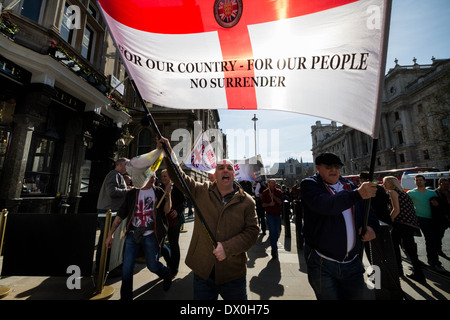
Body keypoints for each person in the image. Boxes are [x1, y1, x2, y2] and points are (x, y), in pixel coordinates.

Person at [157, 137, 259, 300]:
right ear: (215, 173)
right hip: (202, 271)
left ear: (234, 174)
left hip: (233, 274)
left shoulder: (247, 201)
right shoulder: (201, 191)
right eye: (220, 168)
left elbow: (252, 232)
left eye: (229, 168)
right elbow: (180, 177)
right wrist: (169, 153)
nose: (225, 170)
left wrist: (227, 248)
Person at [300, 152, 379, 300]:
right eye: (328, 166)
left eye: (337, 166)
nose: (333, 170)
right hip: (322, 262)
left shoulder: (350, 186)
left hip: (353, 262)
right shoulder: (310, 185)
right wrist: (356, 194)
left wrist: (371, 227)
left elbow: (369, 213)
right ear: (318, 168)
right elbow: (326, 206)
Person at [105, 173, 172, 300]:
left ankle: (165, 273)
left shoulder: (158, 192)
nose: (153, 179)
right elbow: (121, 214)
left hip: (150, 235)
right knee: (127, 268)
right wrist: (110, 234)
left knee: (152, 265)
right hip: (133, 234)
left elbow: (167, 210)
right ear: (143, 177)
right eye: (150, 176)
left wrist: (168, 193)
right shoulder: (132, 194)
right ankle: (126, 297)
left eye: (154, 177)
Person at [382, 176, 425, 283]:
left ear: (391, 183)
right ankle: (419, 274)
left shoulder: (392, 192)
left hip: (401, 223)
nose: (384, 185)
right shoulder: (403, 192)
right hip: (410, 223)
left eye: (385, 182)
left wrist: (389, 222)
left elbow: (396, 210)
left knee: (394, 246)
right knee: (410, 248)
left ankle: (398, 270)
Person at [96, 157, 131, 273]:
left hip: (110, 211)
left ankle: (105, 267)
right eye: (127, 164)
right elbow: (112, 192)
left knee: (108, 239)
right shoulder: (114, 174)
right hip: (108, 212)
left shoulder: (117, 175)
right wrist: (128, 191)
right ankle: (104, 268)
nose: (128, 167)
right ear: (121, 164)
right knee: (108, 239)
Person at [407, 175, 445, 271]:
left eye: (420, 180)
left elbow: (439, 205)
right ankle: (435, 262)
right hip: (421, 218)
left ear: (425, 181)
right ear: (415, 182)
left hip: (433, 219)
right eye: (417, 180)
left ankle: (432, 260)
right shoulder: (411, 193)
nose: (419, 182)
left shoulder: (432, 193)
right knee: (430, 238)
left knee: (433, 240)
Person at [160, 169, 186, 278]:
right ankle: (169, 261)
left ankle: (174, 269)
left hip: (174, 221)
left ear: (170, 177)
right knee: (161, 245)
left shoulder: (177, 187)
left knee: (174, 244)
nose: (164, 178)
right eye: (162, 176)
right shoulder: (159, 188)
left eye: (166, 176)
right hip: (162, 221)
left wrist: (177, 210)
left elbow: (184, 202)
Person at [261, 179, 283, 259]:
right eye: (272, 183)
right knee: (272, 231)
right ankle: (274, 249)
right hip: (270, 215)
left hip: (277, 214)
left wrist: (274, 197)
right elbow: (263, 204)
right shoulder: (265, 192)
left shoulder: (279, 192)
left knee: (277, 232)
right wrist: (269, 204)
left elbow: (280, 201)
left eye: (274, 183)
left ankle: (274, 243)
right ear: (269, 184)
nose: (273, 185)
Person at [431, 178, 450, 259]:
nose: (447, 186)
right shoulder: (435, 193)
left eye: (448, 184)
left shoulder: (449, 192)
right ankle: (438, 250)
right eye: (444, 184)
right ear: (440, 184)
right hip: (441, 218)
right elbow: (435, 206)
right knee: (439, 236)